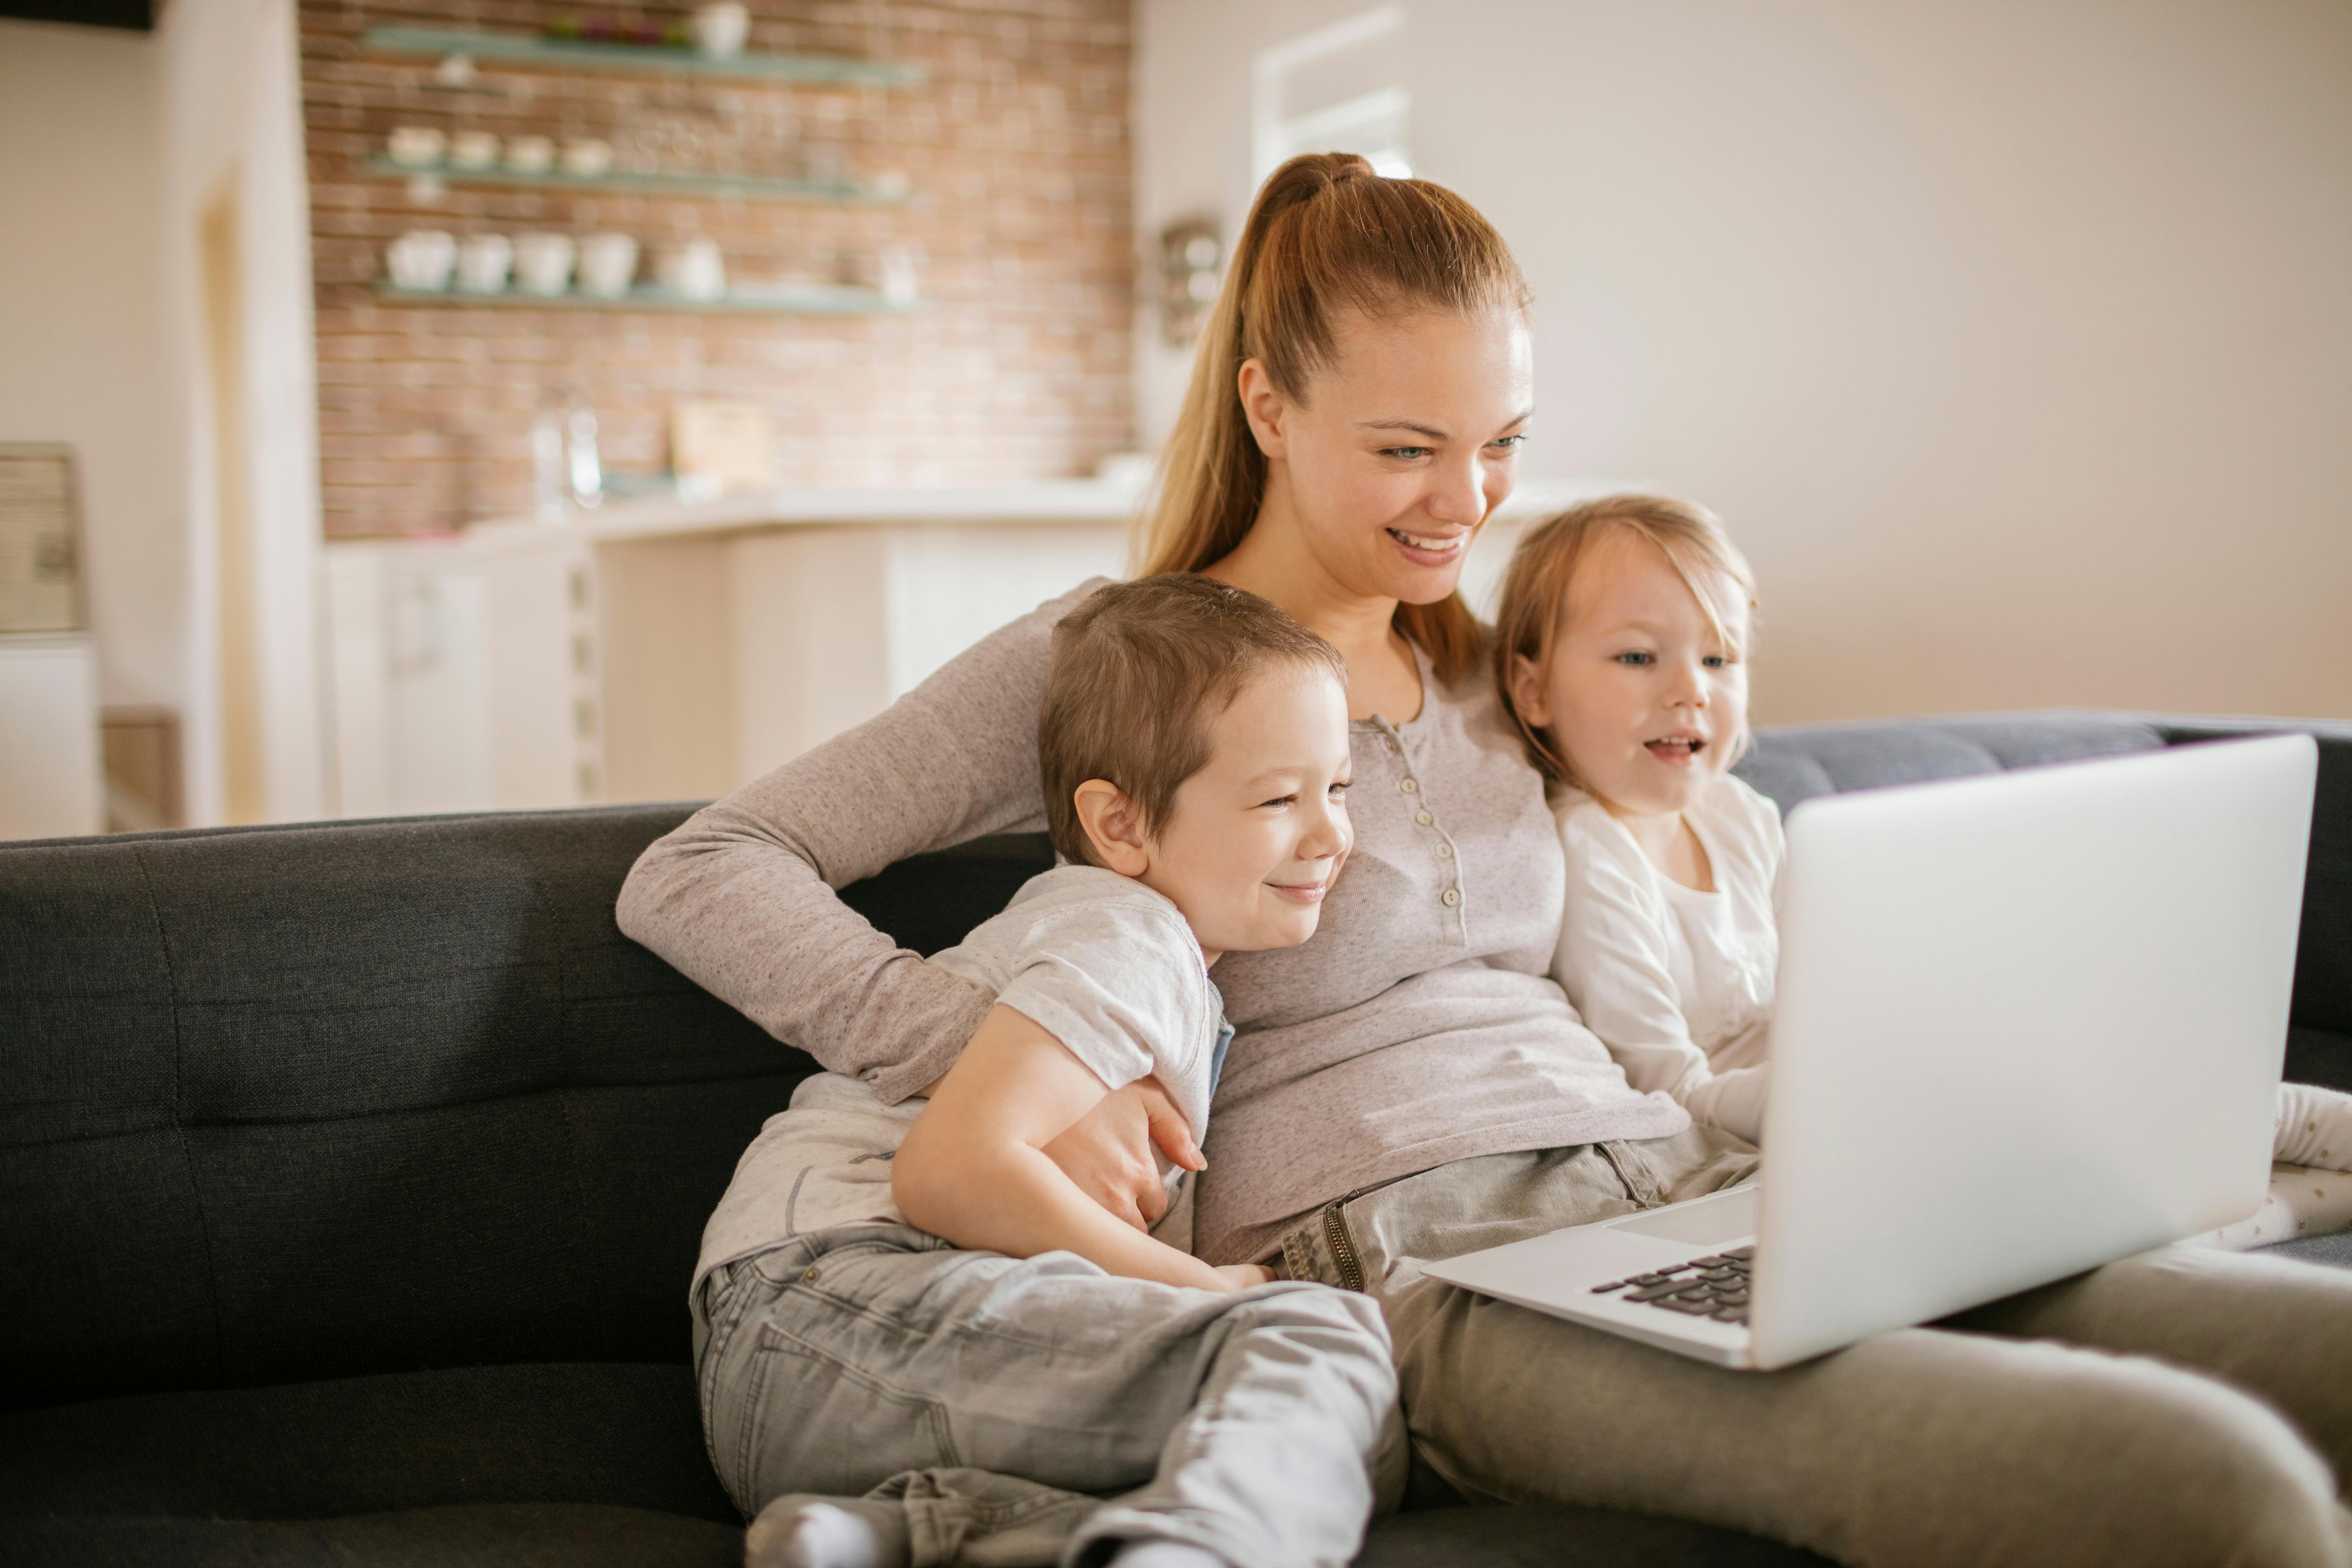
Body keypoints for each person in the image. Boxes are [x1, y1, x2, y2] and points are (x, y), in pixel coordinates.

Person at [621, 152, 2352, 1567]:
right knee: (2212, 1493)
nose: (1467, 502)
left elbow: (1694, 804)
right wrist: (1009, 1085)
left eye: (1502, 444)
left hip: (1681, 1181)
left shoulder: (1493, 654)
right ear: (1269, 404)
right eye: (1406, 449)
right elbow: (710, 865)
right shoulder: (1121, 662)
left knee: (2297, 1352)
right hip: (1419, 1257)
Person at [694, 576, 1400, 1568]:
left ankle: (894, 1531)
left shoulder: (1154, 954)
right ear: (1121, 827)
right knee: (1317, 1346)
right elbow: (951, 1173)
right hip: (835, 1302)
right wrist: (1203, 1287)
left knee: (1336, 1443)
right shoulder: (1127, 932)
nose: (1330, 834)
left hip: (827, 1384)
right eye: (1280, 799)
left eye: (1339, 789)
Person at [1495, 490, 2352, 1192]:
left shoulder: (1741, 816)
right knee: (2021, 1097)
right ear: (1534, 690)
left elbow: (1837, 993)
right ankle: (2242, 1124)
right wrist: (1842, 1087)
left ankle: (2252, 1116)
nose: (1691, 691)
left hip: (1859, 1094)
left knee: (2046, 1039)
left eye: (1720, 661)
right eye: (1639, 658)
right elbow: (1668, 1093)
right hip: (1775, 1133)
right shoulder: (1589, 854)